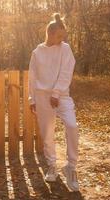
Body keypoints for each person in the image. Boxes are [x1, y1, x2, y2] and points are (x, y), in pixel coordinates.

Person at [28, 13, 80, 191]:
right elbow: (32, 77)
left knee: (72, 126)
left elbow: (67, 71)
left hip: (62, 96)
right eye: (59, 36)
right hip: (42, 97)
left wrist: (57, 93)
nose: (61, 40)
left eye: (62, 37)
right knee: (48, 133)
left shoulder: (65, 49)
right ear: (49, 33)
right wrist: (31, 98)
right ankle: (52, 166)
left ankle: (71, 167)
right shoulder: (37, 53)